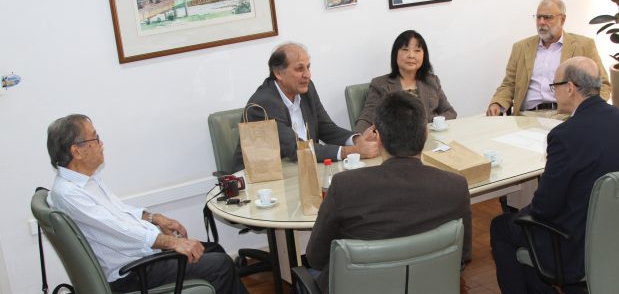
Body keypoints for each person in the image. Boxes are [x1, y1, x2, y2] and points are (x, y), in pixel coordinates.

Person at [490, 57, 619, 294]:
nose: (554, 92)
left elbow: (545, 208)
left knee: (501, 226)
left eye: (555, 86)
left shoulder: (565, 135)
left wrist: (522, 215)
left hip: (576, 241)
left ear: (570, 88)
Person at [45, 114, 247, 293]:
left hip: (137, 257)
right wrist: (173, 243)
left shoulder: (87, 181)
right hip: (130, 273)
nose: (101, 143)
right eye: (95, 138)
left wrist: (155, 218)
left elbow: (120, 213)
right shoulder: (70, 194)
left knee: (213, 250)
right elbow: (120, 231)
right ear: (76, 151)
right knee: (220, 265)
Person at [307, 91, 472, 294]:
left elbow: (316, 257)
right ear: (426, 134)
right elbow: (462, 255)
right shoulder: (455, 186)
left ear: (379, 139)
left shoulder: (345, 186)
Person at [233, 42, 378, 170]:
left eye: (308, 67)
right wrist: (352, 151)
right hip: (261, 181)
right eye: (299, 69)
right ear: (278, 73)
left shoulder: (306, 89)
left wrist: (357, 140)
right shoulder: (264, 103)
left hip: (301, 169)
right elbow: (295, 149)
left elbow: (326, 128)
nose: (307, 75)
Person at [486, 0, 611, 118]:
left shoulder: (583, 45)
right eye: (538, 17)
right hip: (526, 117)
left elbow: (603, 84)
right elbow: (509, 84)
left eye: (547, 17)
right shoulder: (521, 48)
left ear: (562, 20)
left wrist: (589, 110)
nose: (541, 22)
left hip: (566, 116)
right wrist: (497, 103)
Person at [353, 29, 457, 133]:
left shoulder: (432, 81)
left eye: (417, 50)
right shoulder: (380, 84)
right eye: (405, 49)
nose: (411, 55)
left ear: (424, 56)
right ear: (395, 54)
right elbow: (367, 118)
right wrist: (357, 138)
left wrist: (432, 124)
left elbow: (450, 112)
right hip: (396, 140)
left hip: (431, 138)